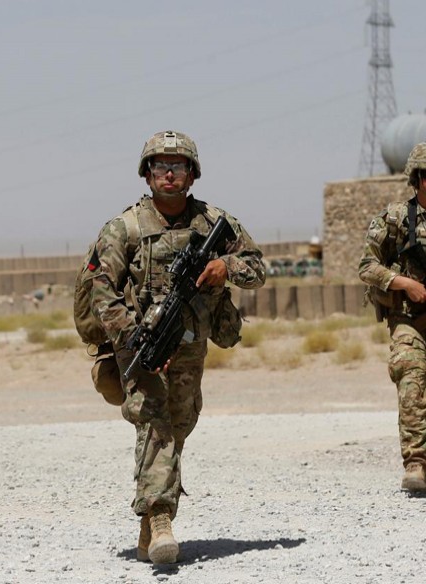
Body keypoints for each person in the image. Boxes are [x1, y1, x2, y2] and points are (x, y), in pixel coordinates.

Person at [85, 131, 265, 564]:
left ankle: (149, 520)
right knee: (154, 422)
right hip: (142, 344)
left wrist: (227, 265)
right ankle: (162, 518)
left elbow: (258, 269)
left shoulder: (214, 222)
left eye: (178, 166)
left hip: (190, 344)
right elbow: (101, 292)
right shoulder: (124, 228)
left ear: (192, 174)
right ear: (147, 173)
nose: (169, 173)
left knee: (180, 423)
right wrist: (133, 338)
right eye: (160, 166)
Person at [358, 141, 426, 495]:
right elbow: (367, 266)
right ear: (415, 179)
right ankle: (415, 463)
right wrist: (403, 283)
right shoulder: (395, 219)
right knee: (412, 380)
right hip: (407, 319)